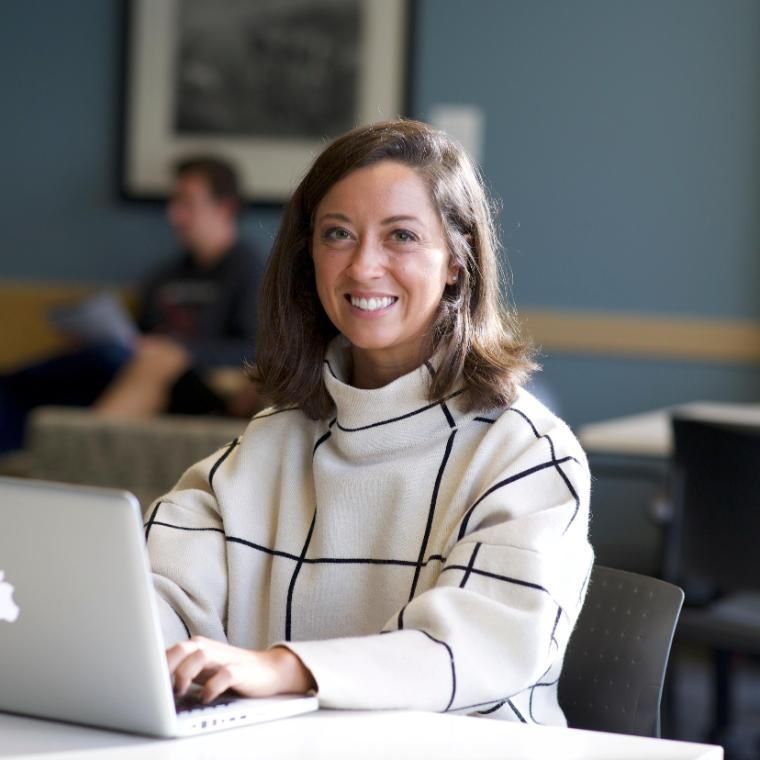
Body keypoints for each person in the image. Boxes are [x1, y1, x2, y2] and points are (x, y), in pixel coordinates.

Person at [146, 120, 593, 725]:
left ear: (457, 262)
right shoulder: (269, 440)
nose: (362, 268)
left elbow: (472, 649)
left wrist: (284, 668)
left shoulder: (527, 453)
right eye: (337, 234)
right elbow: (157, 590)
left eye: (401, 236)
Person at [0, 156, 264, 453]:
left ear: (225, 207)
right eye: (173, 203)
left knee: (155, 359)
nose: (174, 215)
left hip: (195, 382)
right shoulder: (164, 275)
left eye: (187, 203)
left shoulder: (249, 269)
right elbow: (141, 332)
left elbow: (255, 349)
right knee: (35, 379)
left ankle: (77, 455)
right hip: (133, 366)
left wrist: (180, 350)